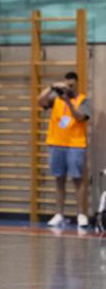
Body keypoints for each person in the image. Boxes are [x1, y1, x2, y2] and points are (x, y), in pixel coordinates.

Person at [37, 72, 92, 229]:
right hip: (57, 143)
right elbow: (40, 101)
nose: (68, 88)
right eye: (66, 85)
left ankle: (81, 214)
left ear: (77, 84)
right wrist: (52, 87)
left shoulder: (83, 100)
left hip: (75, 144)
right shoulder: (56, 100)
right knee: (59, 179)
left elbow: (80, 117)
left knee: (77, 180)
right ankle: (59, 214)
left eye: (71, 85)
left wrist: (69, 101)